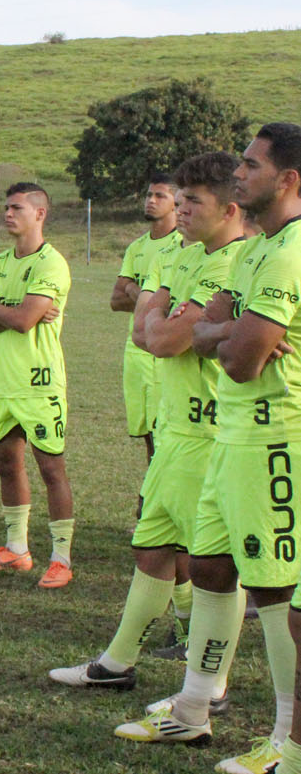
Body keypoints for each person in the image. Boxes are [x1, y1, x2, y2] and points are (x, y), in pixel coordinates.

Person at [118, 125, 301, 774]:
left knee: (278, 590)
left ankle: (289, 742)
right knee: (212, 567)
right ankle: (193, 707)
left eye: (249, 165)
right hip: (229, 435)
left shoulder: (289, 252)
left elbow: (244, 360)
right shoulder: (255, 250)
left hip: (275, 437)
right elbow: (205, 336)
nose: (238, 175)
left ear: (286, 179)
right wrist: (227, 330)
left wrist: (224, 334)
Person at [50, 153, 246, 732]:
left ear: (229, 209)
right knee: (151, 547)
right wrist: (164, 316)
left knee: (211, 566)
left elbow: (160, 338)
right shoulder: (181, 254)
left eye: (193, 202)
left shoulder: (235, 266)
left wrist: (162, 315)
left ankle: (212, 690)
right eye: (178, 199)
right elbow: (145, 329)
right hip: (173, 428)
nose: (181, 210)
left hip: (208, 434)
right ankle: (116, 664)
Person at [0, 183, 75, 587]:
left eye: (16, 208)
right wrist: (10, 311)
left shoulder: (52, 264)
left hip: (40, 381)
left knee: (51, 467)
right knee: (6, 463)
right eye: (6, 207)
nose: (8, 214)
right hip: (3, 380)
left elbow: (21, 321)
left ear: (40, 214)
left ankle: (61, 558)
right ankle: (17, 549)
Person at [114, 175, 181, 464]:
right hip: (136, 350)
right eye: (149, 195)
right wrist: (136, 290)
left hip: (164, 349)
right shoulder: (137, 247)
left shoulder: (184, 245)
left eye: (160, 196)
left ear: (177, 203)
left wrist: (140, 296)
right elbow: (116, 300)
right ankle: (151, 494)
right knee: (147, 435)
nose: (150, 201)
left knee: (167, 431)